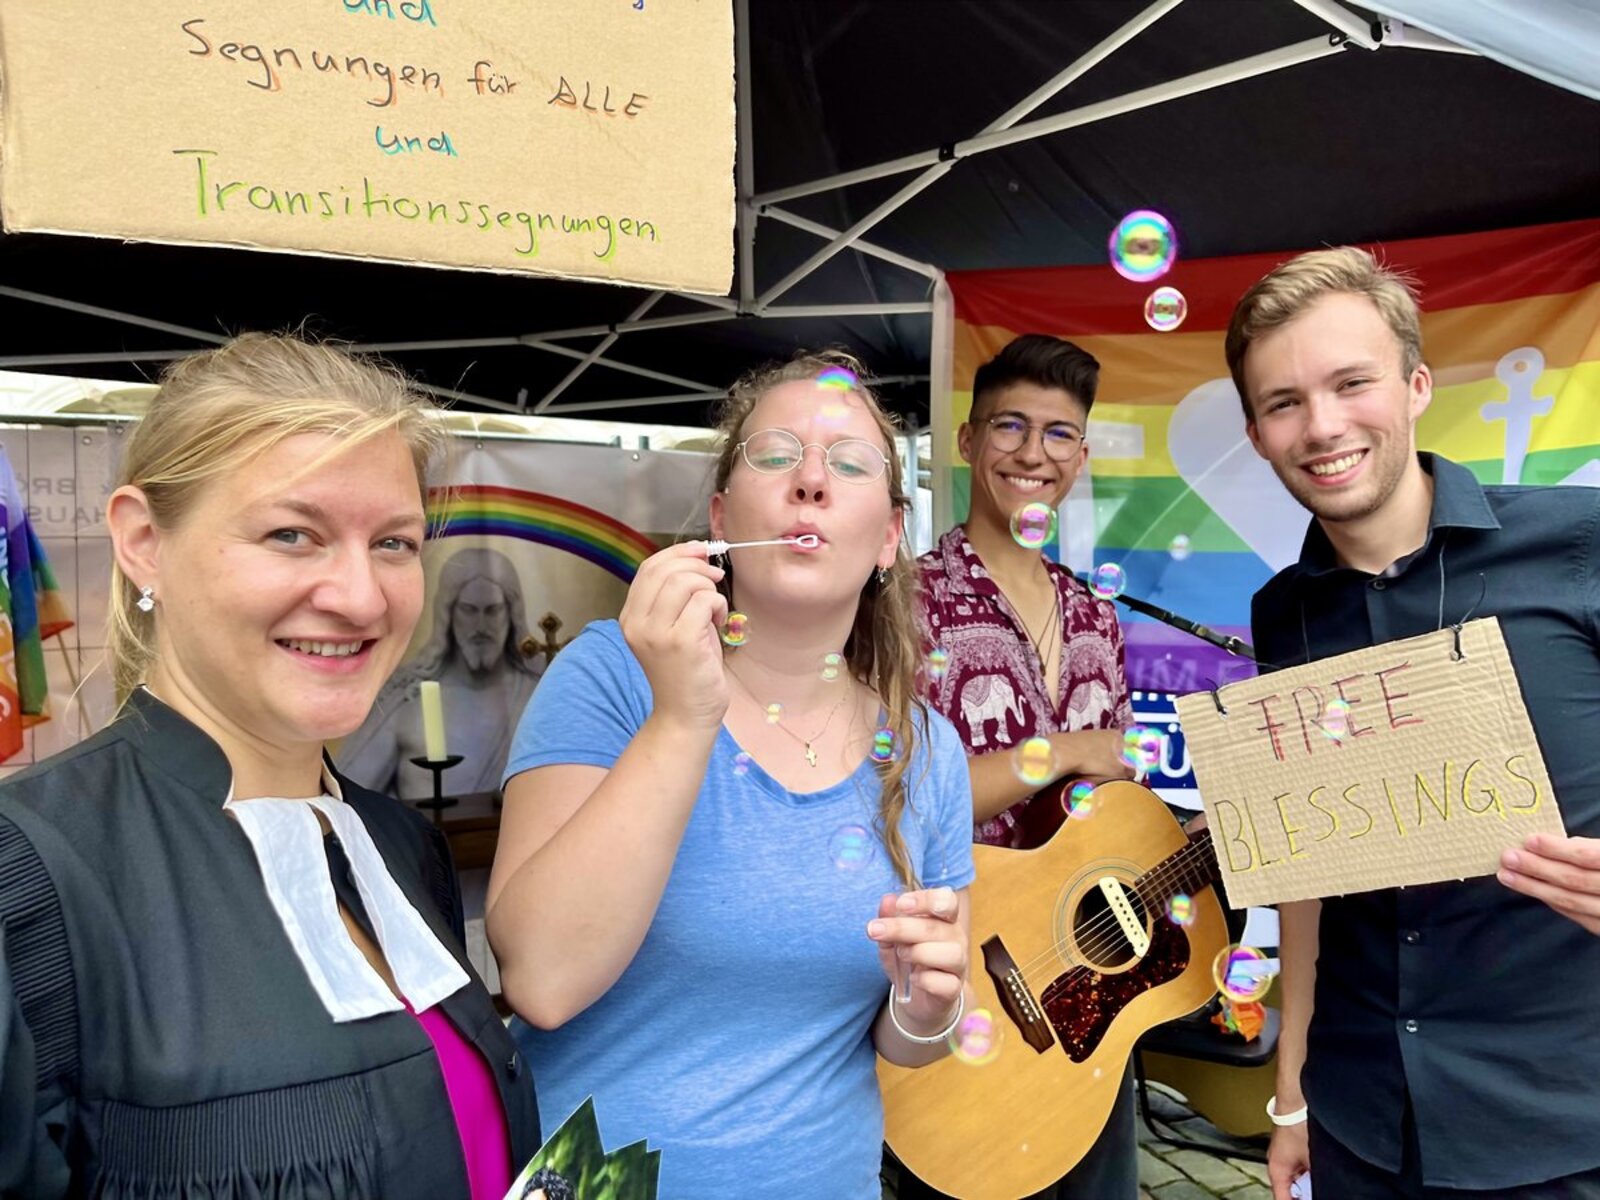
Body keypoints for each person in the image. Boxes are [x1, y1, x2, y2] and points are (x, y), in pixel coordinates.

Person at [0, 335, 540, 1197]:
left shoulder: (402, 844)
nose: (361, 597)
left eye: (394, 543)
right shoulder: (25, 878)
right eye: (293, 534)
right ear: (144, 540)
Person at [486, 354, 976, 1199]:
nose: (810, 481)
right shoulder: (613, 676)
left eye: (850, 463)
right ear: (720, 516)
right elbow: (541, 980)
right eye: (776, 455)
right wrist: (683, 716)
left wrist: (928, 1010)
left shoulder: (927, 752)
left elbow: (908, 1042)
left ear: (890, 536)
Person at [1229, 247, 1600, 1199]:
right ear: (1257, 434)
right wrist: (1290, 1095)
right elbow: (1306, 877)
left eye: (1352, 383)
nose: (1323, 426)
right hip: (1361, 1124)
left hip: (1561, 1129)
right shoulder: (1284, 614)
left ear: (1417, 385)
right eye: (1284, 403)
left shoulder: (1580, 544)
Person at [907, 333, 1142, 1200]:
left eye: (1059, 433)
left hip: (1086, 991)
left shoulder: (1095, 615)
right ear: (968, 441)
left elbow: (1108, 804)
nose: (1033, 453)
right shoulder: (902, 603)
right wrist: (1065, 751)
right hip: (962, 986)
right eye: (1010, 426)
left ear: (1080, 456)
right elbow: (894, 802)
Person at [340, 545, 545, 798]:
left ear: (512, 613)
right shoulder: (405, 700)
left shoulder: (538, 695)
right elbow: (347, 798)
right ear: (447, 613)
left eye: (493, 610)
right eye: (468, 610)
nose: (481, 626)